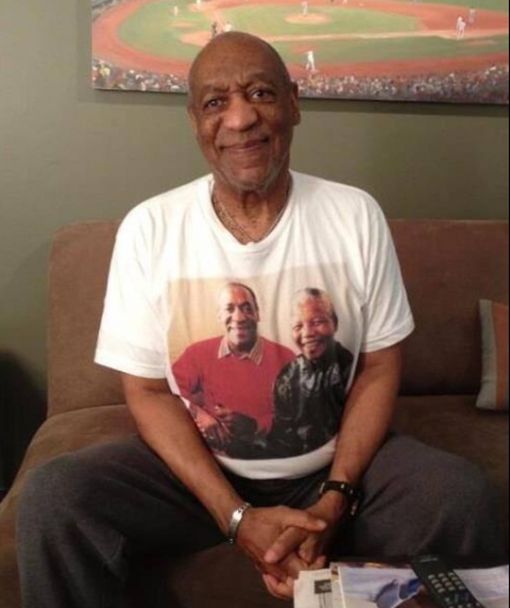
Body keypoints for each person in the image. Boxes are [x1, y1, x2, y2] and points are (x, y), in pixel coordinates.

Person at [16, 32, 504, 608]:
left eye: (260, 93)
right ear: (195, 120)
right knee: (55, 496)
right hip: (200, 478)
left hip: (335, 467)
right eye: (216, 101)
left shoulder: (354, 214)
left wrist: (335, 498)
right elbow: (147, 391)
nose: (241, 118)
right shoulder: (150, 228)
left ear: (293, 103)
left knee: (459, 494)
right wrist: (236, 517)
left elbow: (377, 367)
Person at [172, 282, 295, 453]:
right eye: (229, 309)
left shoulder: (286, 358)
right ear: (219, 316)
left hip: (271, 451)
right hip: (213, 454)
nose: (239, 317)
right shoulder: (197, 353)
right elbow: (167, 392)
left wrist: (254, 426)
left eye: (247, 308)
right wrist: (199, 414)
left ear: (257, 314)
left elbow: (297, 416)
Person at [265, 288, 354, 457]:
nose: (307, 333)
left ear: (334, 323)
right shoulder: (286, 378)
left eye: (317, 322)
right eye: (298, 326)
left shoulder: (350, 367)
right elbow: (281, 436)